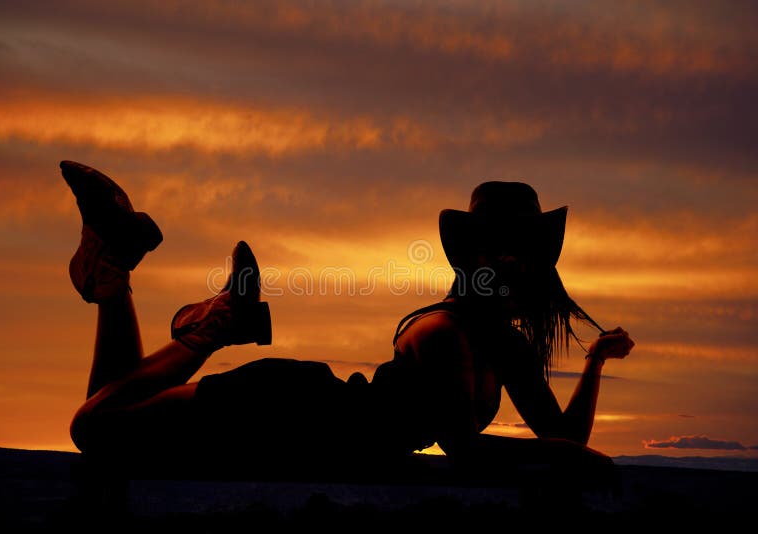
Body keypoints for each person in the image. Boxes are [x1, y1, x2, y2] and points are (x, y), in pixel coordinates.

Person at [64, 160, 634, 485]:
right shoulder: (443, 334)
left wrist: (594, 361)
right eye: (496, 249)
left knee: (108, 423)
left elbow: (564, 437)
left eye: (523, 251)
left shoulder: (505, 347)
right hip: (288, 414)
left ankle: (109, 269)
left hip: (306, 446)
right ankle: (216, 325)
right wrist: (567, 460)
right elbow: (466, 455)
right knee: (94, 430)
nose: (511, 261)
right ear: (470, 261)